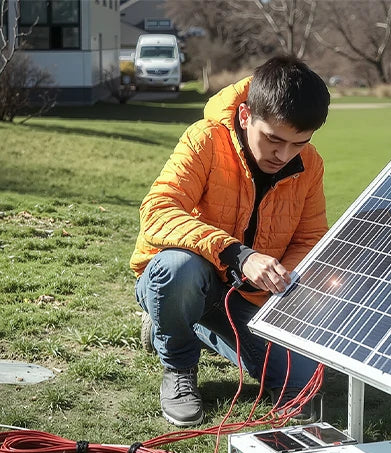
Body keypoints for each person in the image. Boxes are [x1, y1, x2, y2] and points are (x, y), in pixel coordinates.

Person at [130, 56, 331, 427]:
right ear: (244, 116)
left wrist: (283, 274)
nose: (283, 155)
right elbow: (157, 209)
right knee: (179, 270)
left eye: (298, 143)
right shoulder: (204, 138)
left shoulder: (311, 165)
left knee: (305, 381)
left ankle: (183, 325)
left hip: (248, 297)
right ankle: (178, 363)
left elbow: (310, 238)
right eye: (273, 139)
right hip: (183, 278)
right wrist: (237, 255)